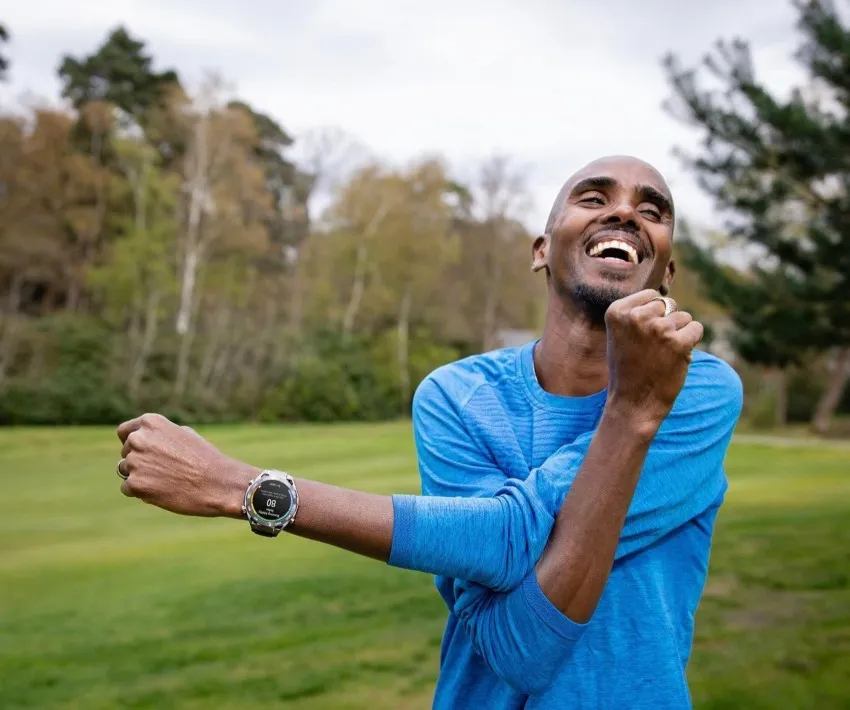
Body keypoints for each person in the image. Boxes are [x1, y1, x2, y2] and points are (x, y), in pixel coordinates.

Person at [114, 155, 743, 709]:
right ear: (542, 249)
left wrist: (239, 485)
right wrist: (633, 411)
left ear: (666, 273)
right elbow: (509, 611)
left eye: (651, 209)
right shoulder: (457, 396)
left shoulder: (700, 390)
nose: (626, 214)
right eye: (594, 197)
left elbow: (525, 637)